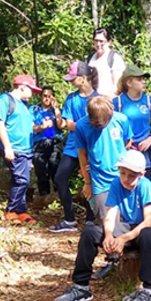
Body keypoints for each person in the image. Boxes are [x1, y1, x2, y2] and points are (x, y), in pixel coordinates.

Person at [53, 149, 151, 301]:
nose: (126, 179)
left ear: (142, 174)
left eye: (131, 176)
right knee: (90, 232)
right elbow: (110, 215)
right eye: (123, 173)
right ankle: (81, 286)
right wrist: (108, 235)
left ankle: (149, 291)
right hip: (129, 227)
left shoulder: (146, 186)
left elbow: (149, 221)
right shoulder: (116, 184)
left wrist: (123, 239)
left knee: (148, 234)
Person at [50, 61, 99, 233]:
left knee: (92, 179)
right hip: (73, 146)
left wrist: (77, 125)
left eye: (73, 78)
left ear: (84, 78)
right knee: (60, 178)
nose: (70, 81)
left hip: (93, 145)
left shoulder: (98, 99)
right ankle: (69, 219)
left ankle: (91, 220)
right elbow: (68, 123)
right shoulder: (71, 98)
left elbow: (100, 124)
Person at [74, 95, 133, 225]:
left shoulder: (121, 120)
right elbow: (82, 154)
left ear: (110, 112)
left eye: (103, 121)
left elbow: (128, 143)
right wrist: (87, 182)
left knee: (128, 219)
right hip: (100, 181)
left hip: (123, 176)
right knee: (106, 222)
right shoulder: (81, 126)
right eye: (95, 121)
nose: (99, 124)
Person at [0, 74, 41, 223]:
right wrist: (7, 147)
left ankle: (21, 211)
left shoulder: (23, 105)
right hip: (14, 148)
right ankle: (10, 210)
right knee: (21, 180)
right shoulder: (5, 100)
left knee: (23, 180)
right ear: (23, 87)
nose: (32, 94)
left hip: (26, 150)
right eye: (31, 90)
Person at [114, 65, 151, 180]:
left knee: (145, 182)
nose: (143, 82)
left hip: (145, 150)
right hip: (124, 150)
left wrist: (150, 138)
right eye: (139, 79)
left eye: (144, 79)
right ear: (129, 83)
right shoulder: (117, 102)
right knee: (125, 181)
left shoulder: (149, 101)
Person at [31, 87, 62, 199]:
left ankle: (59, 197)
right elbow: (32, 127)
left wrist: (56, 109)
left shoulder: (57, 111)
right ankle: (44, 197)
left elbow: (61, 125)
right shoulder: (34, 110)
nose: (47, 98)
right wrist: (42, 127)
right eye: (45, 95)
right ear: (41, 97)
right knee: (41, 172)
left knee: (55, 167)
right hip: (39, 143)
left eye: (50, 96)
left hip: (54, 142)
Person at [88, 27, 126, 97]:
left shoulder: (114, 58)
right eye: (96, 41)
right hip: (91, 102)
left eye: (101, 41)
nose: (98, 44)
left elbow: (117, 86)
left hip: (108, 102)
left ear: (109, 42)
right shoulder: (90, 58)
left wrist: (106, 101)